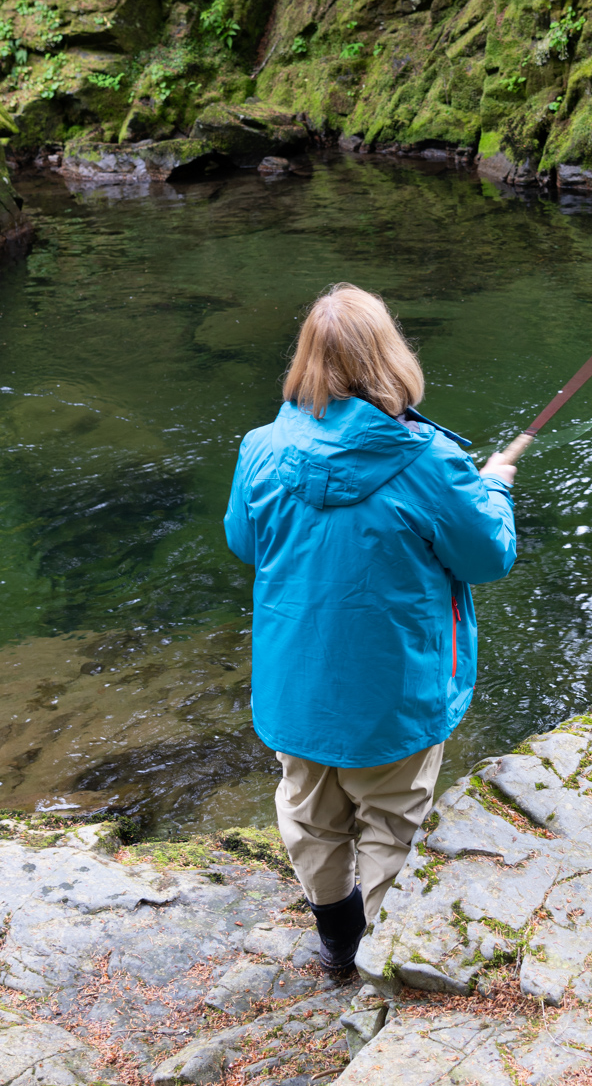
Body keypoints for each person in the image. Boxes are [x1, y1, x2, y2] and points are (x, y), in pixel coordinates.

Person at [223, 282, 521, 977]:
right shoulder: (430, 462)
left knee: (308, 812)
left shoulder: (260, 449)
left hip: (295, 689)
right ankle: (385, 963)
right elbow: (488, 555)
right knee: (391, 821)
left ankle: (337, 944)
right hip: (396, 693)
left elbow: (245, 540)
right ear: (390, 357)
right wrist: (495, 487)